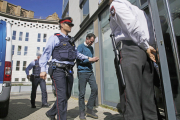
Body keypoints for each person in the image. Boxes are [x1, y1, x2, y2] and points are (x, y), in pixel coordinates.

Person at [39, 17, 99, 120]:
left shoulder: (71, 41)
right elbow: (46, 53)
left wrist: (89, 58)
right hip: (58, 70)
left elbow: (77, 54)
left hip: (69, 70)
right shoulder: (54, 38)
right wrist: (42, 69)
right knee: (62, 97)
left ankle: (51, 113)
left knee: (66, 95)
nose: (70, 26)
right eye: (68, 24)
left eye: (71, 25)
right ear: (62, 25)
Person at [109, 0, 158, 120]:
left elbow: (131, 26)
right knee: (148, 98)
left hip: (130, 51)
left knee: (131, 98)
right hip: (144, 52)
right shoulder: (139, 10)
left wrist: (146, 47)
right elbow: (150, 31)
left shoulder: (115, 5)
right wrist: (149, 47)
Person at [77, 33, 99, 120]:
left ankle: (89, 109)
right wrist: (90, 60)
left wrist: (93, 60)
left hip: (90, 72)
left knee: (95, 89)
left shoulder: (91, 48)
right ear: (87, 38)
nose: (91, 43)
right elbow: (79, 60)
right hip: (82, 72)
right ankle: (81, 112)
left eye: (93, 42)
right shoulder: (80, 47)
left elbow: (90, 59)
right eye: (91, 41)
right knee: (82, 93)